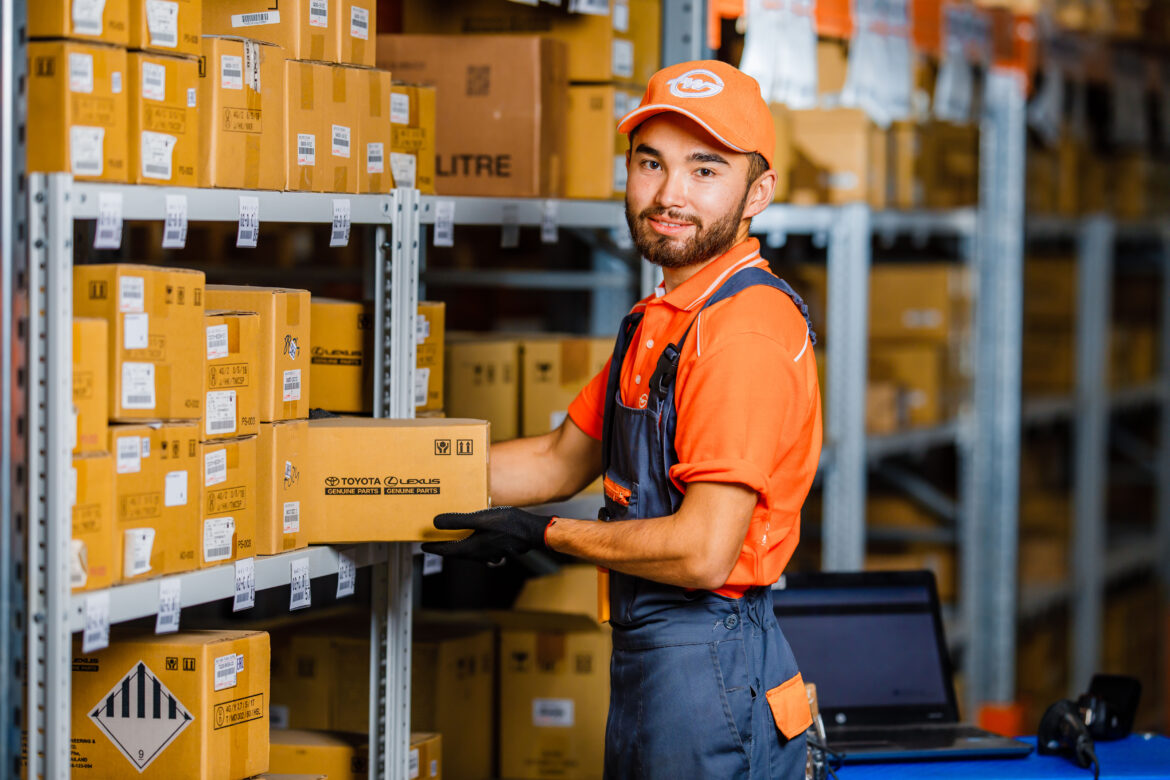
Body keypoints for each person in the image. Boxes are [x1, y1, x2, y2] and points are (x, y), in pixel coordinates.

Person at [423, 60, 823, 779]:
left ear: (758, 192)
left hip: (712, 658)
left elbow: (702, 551)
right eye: (651, 163)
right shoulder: (665, 319)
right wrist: (374, 472)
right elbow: (556, 459)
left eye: (706, 171)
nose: (669, 195)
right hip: (659, 654)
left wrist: (547, 534)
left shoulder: (742, 332)